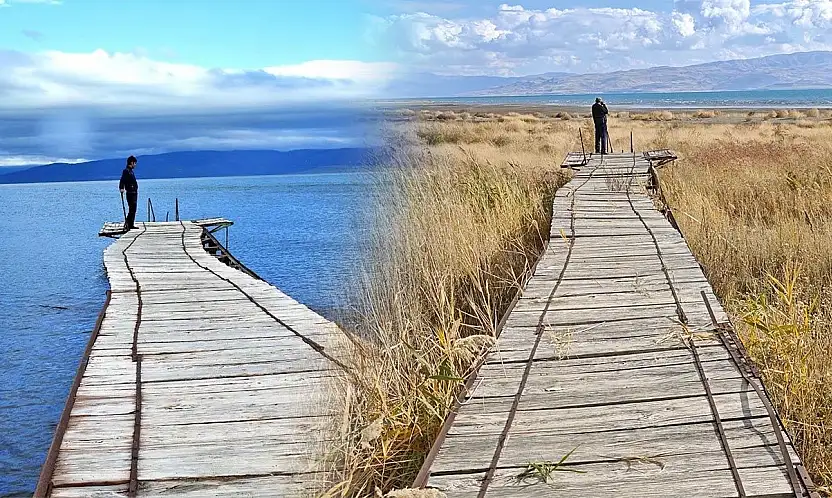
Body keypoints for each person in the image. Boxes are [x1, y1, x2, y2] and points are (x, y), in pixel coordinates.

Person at [119, 156, 139, 230]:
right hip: (130, 192)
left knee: (133, 209)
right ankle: (128, 224)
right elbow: (122, 180)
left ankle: (130, 224)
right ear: (131, 162)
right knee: (132, 209)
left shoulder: (131, 171)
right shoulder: (126, 171)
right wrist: (121, 188)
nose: (135, 165)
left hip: (134, 192)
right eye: (135, 163)